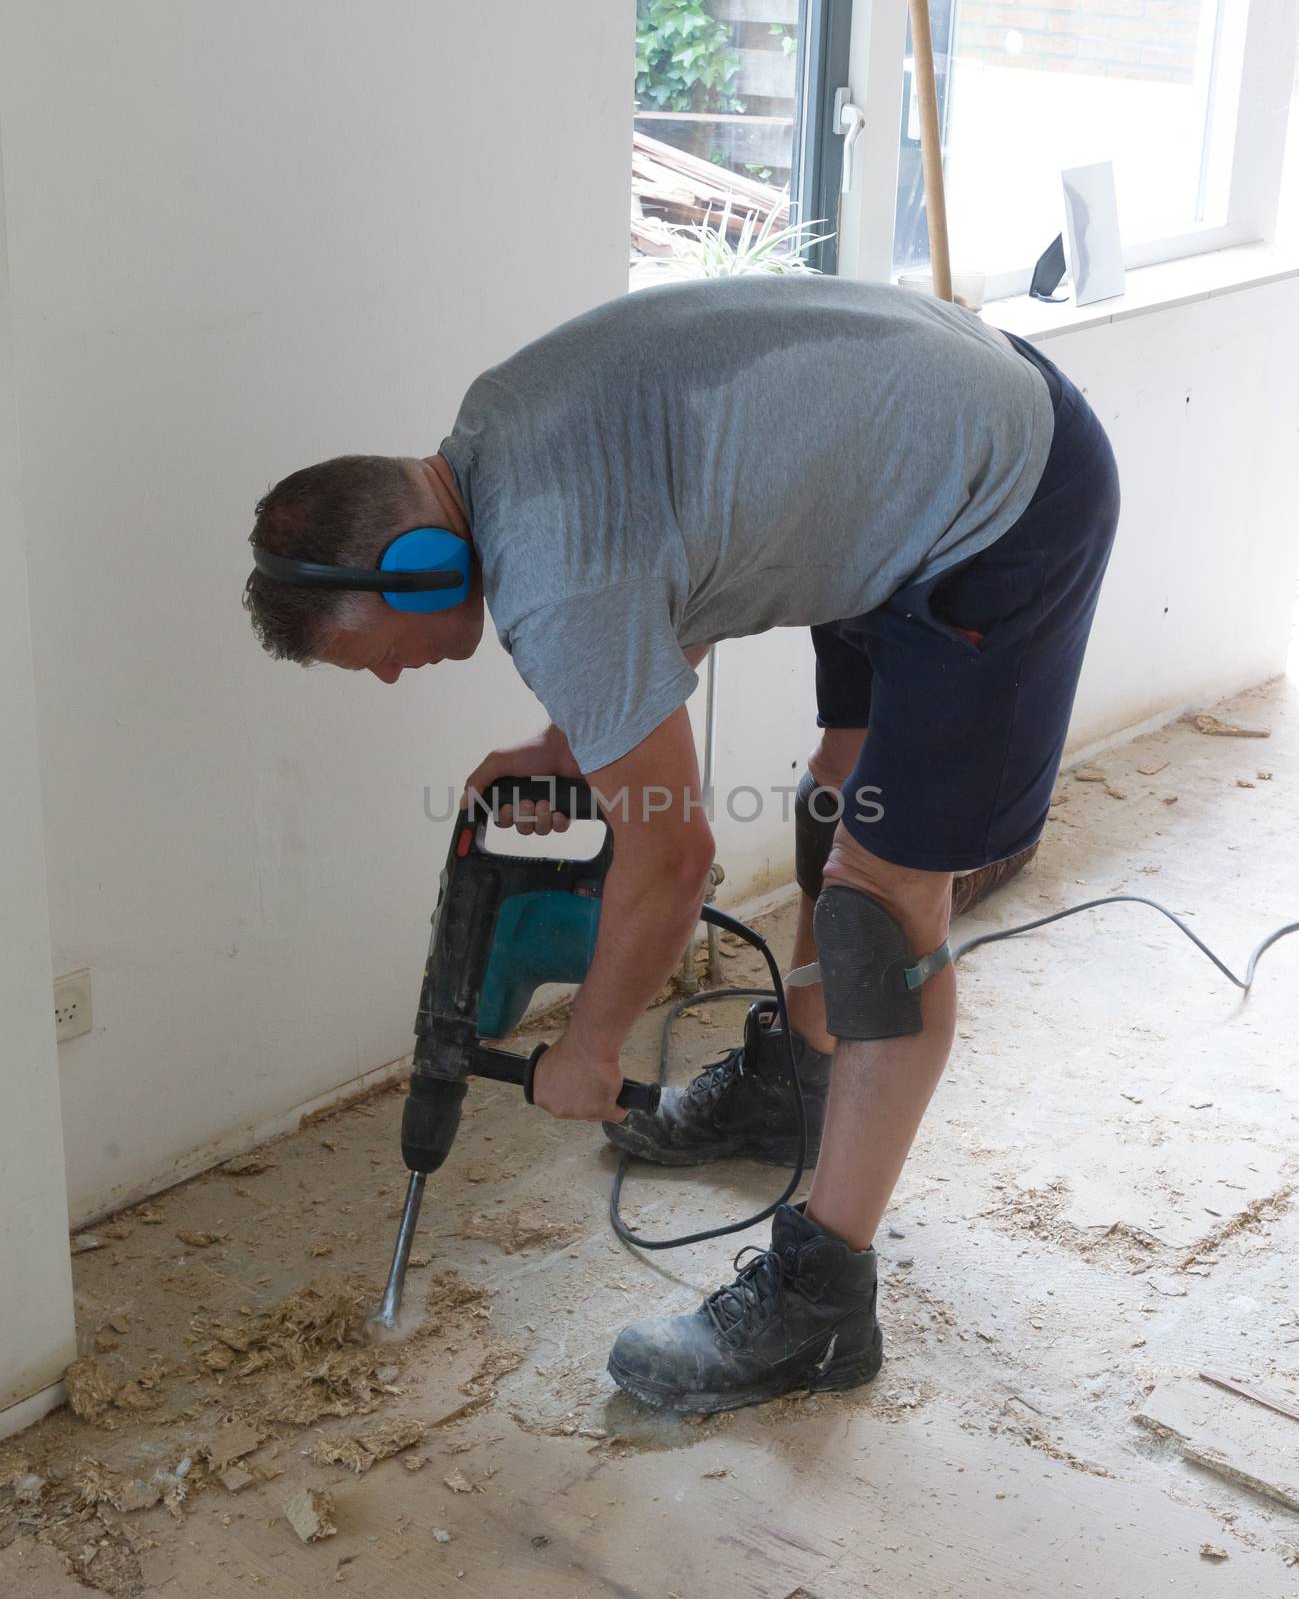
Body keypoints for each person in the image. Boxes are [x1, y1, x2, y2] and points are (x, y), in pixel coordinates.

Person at [243, 275, 1119, 1413]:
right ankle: (796, 1083)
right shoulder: (493, 435)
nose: (399, 673)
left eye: (383, 653)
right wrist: (571, 742)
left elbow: (672, 861)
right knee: (833, 802)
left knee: (880, 909)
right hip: (913, 450)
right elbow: (655, 571)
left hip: (1004, 498)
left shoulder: (549, 576)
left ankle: (822, 1306)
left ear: (419, 568)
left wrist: (593, 1047)